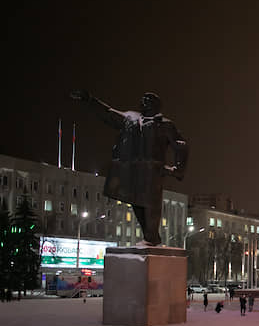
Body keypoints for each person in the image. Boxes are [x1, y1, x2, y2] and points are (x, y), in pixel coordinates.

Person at [70, 90, 187, 246]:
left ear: (157, 106)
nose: (144, 103)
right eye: (143, 100)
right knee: (136, 202)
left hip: (153, 170)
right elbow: (108, 113)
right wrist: (89, 99)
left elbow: (181, 146)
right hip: (132, 170)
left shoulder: (165, 125)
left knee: (151, 204)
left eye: (149, 100)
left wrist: (178, 168)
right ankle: (150, 236)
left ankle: (151, 237)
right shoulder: (130, 118)